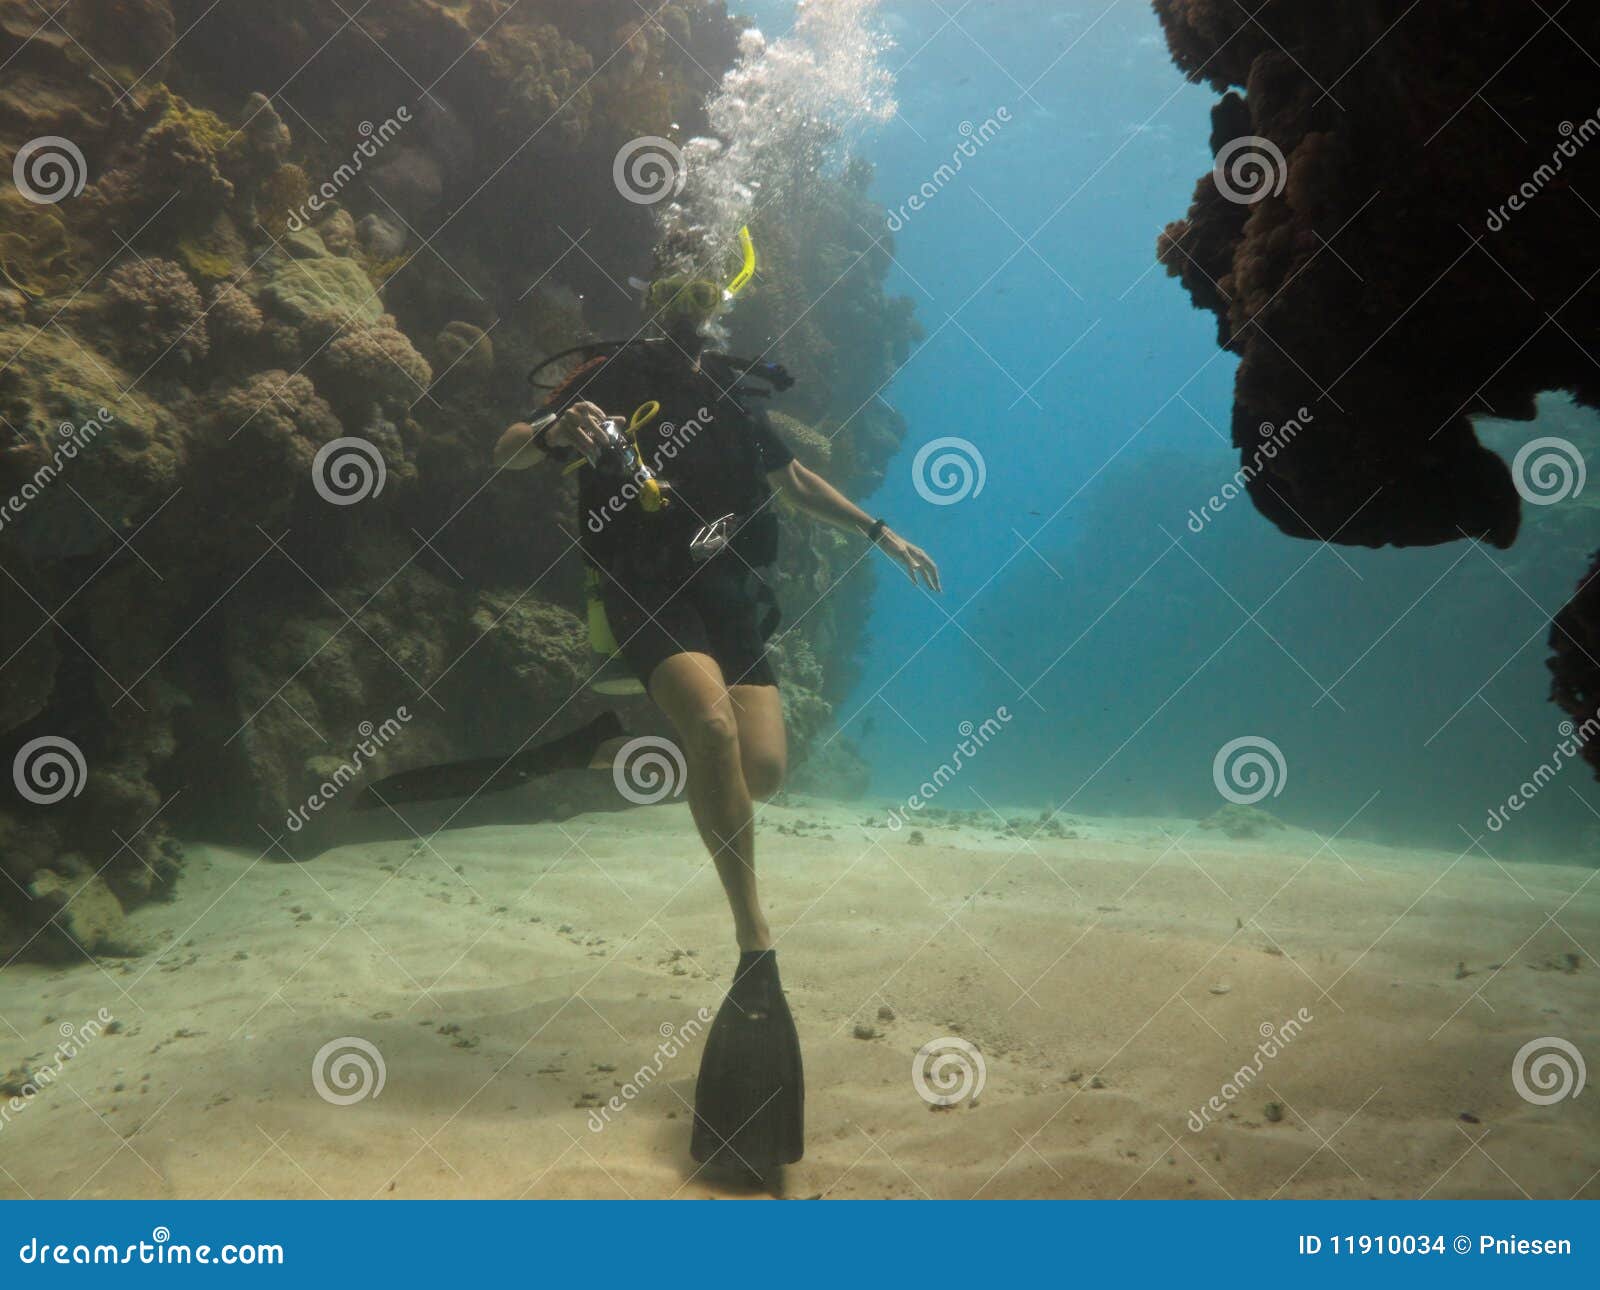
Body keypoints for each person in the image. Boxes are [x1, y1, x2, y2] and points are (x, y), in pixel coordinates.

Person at [493, 232, 940, 957]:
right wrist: (554, 429)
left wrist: (878, 530)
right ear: (651, 297)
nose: (686, 308)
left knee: (759, 773)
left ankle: (616, 751)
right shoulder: (611, 375)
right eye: (673, 292)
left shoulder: (731, 390)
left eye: (702, 294)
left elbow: (792, 481)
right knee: (713, 730)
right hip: (642, 582)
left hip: (725, 588)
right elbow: (506, 450)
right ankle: (753, 940)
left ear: (720, 301)